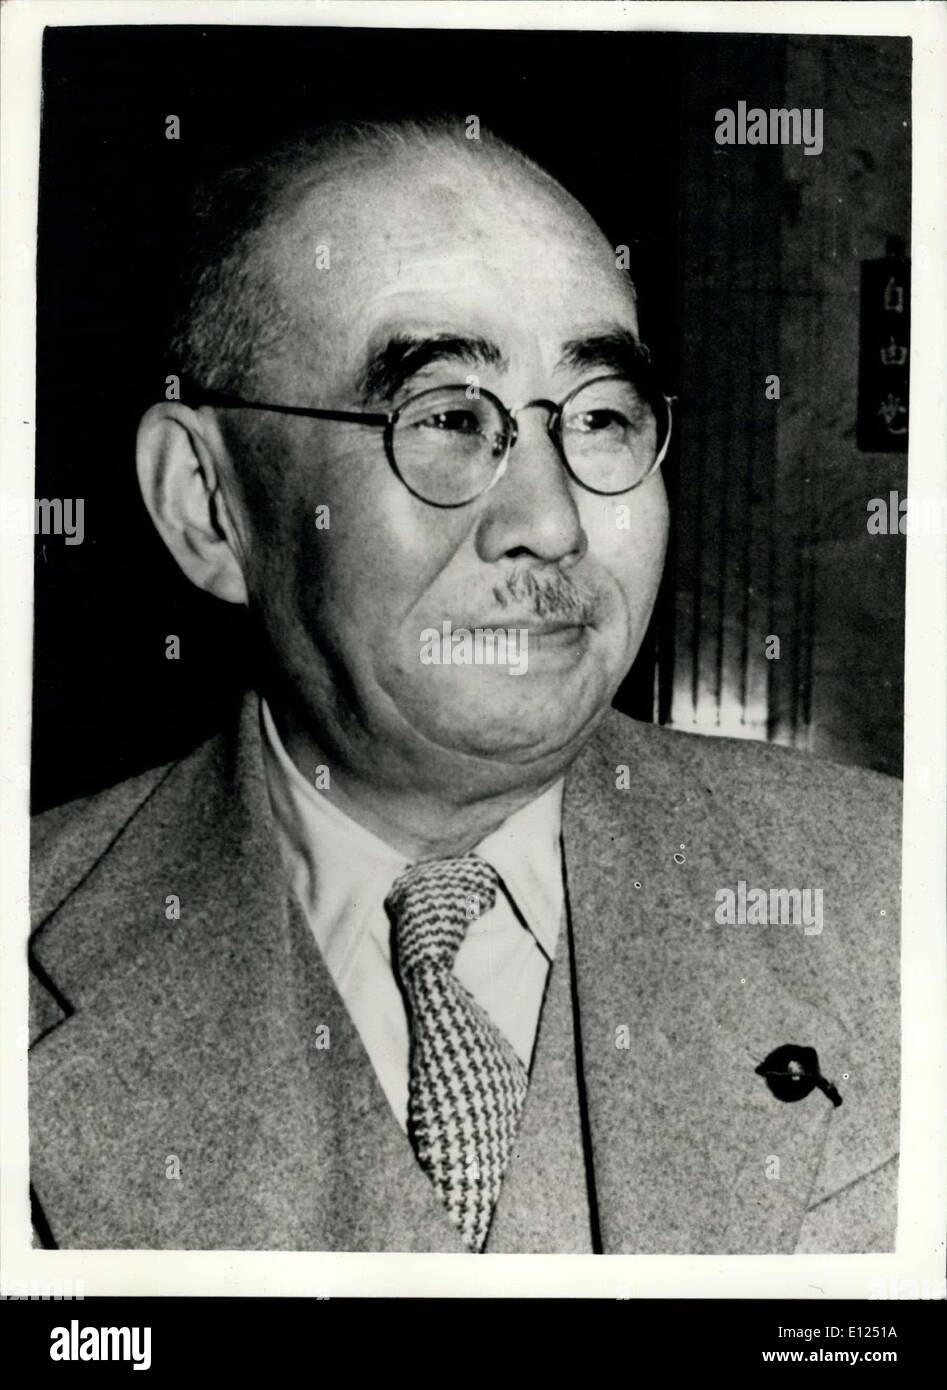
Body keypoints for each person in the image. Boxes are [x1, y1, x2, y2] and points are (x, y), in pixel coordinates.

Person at [29, 118, 900, 1254]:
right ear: (207, 501)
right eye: (443, 419)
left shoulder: (889, 895)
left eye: (598, 417)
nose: (550, 523)